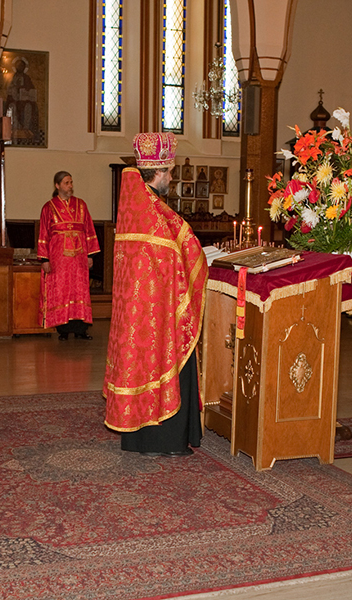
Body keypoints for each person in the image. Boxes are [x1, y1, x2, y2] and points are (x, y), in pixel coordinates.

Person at [103, 132, 208, 456]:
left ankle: (137, 439)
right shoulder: (154, 214)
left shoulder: (134, 207)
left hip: (134, 311)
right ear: (159, 173)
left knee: (137, 363)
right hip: (156, 310)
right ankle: (166, 440)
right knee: (163, 360)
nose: (172, 178)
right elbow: (181, 257)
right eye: (171, 172)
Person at [37, 171, 100, 340]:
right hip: (59, 258)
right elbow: (43, 234)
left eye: (71, 182)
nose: (70, 186)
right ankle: (63, 330)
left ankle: (81, 330)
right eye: (66, 183)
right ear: (57, 186)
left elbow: (89, 230)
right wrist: (45, 259)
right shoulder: (48, 207)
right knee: (62, 291)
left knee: (79, 291)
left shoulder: (81, 205)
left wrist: (90, 255)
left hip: (79, 257)